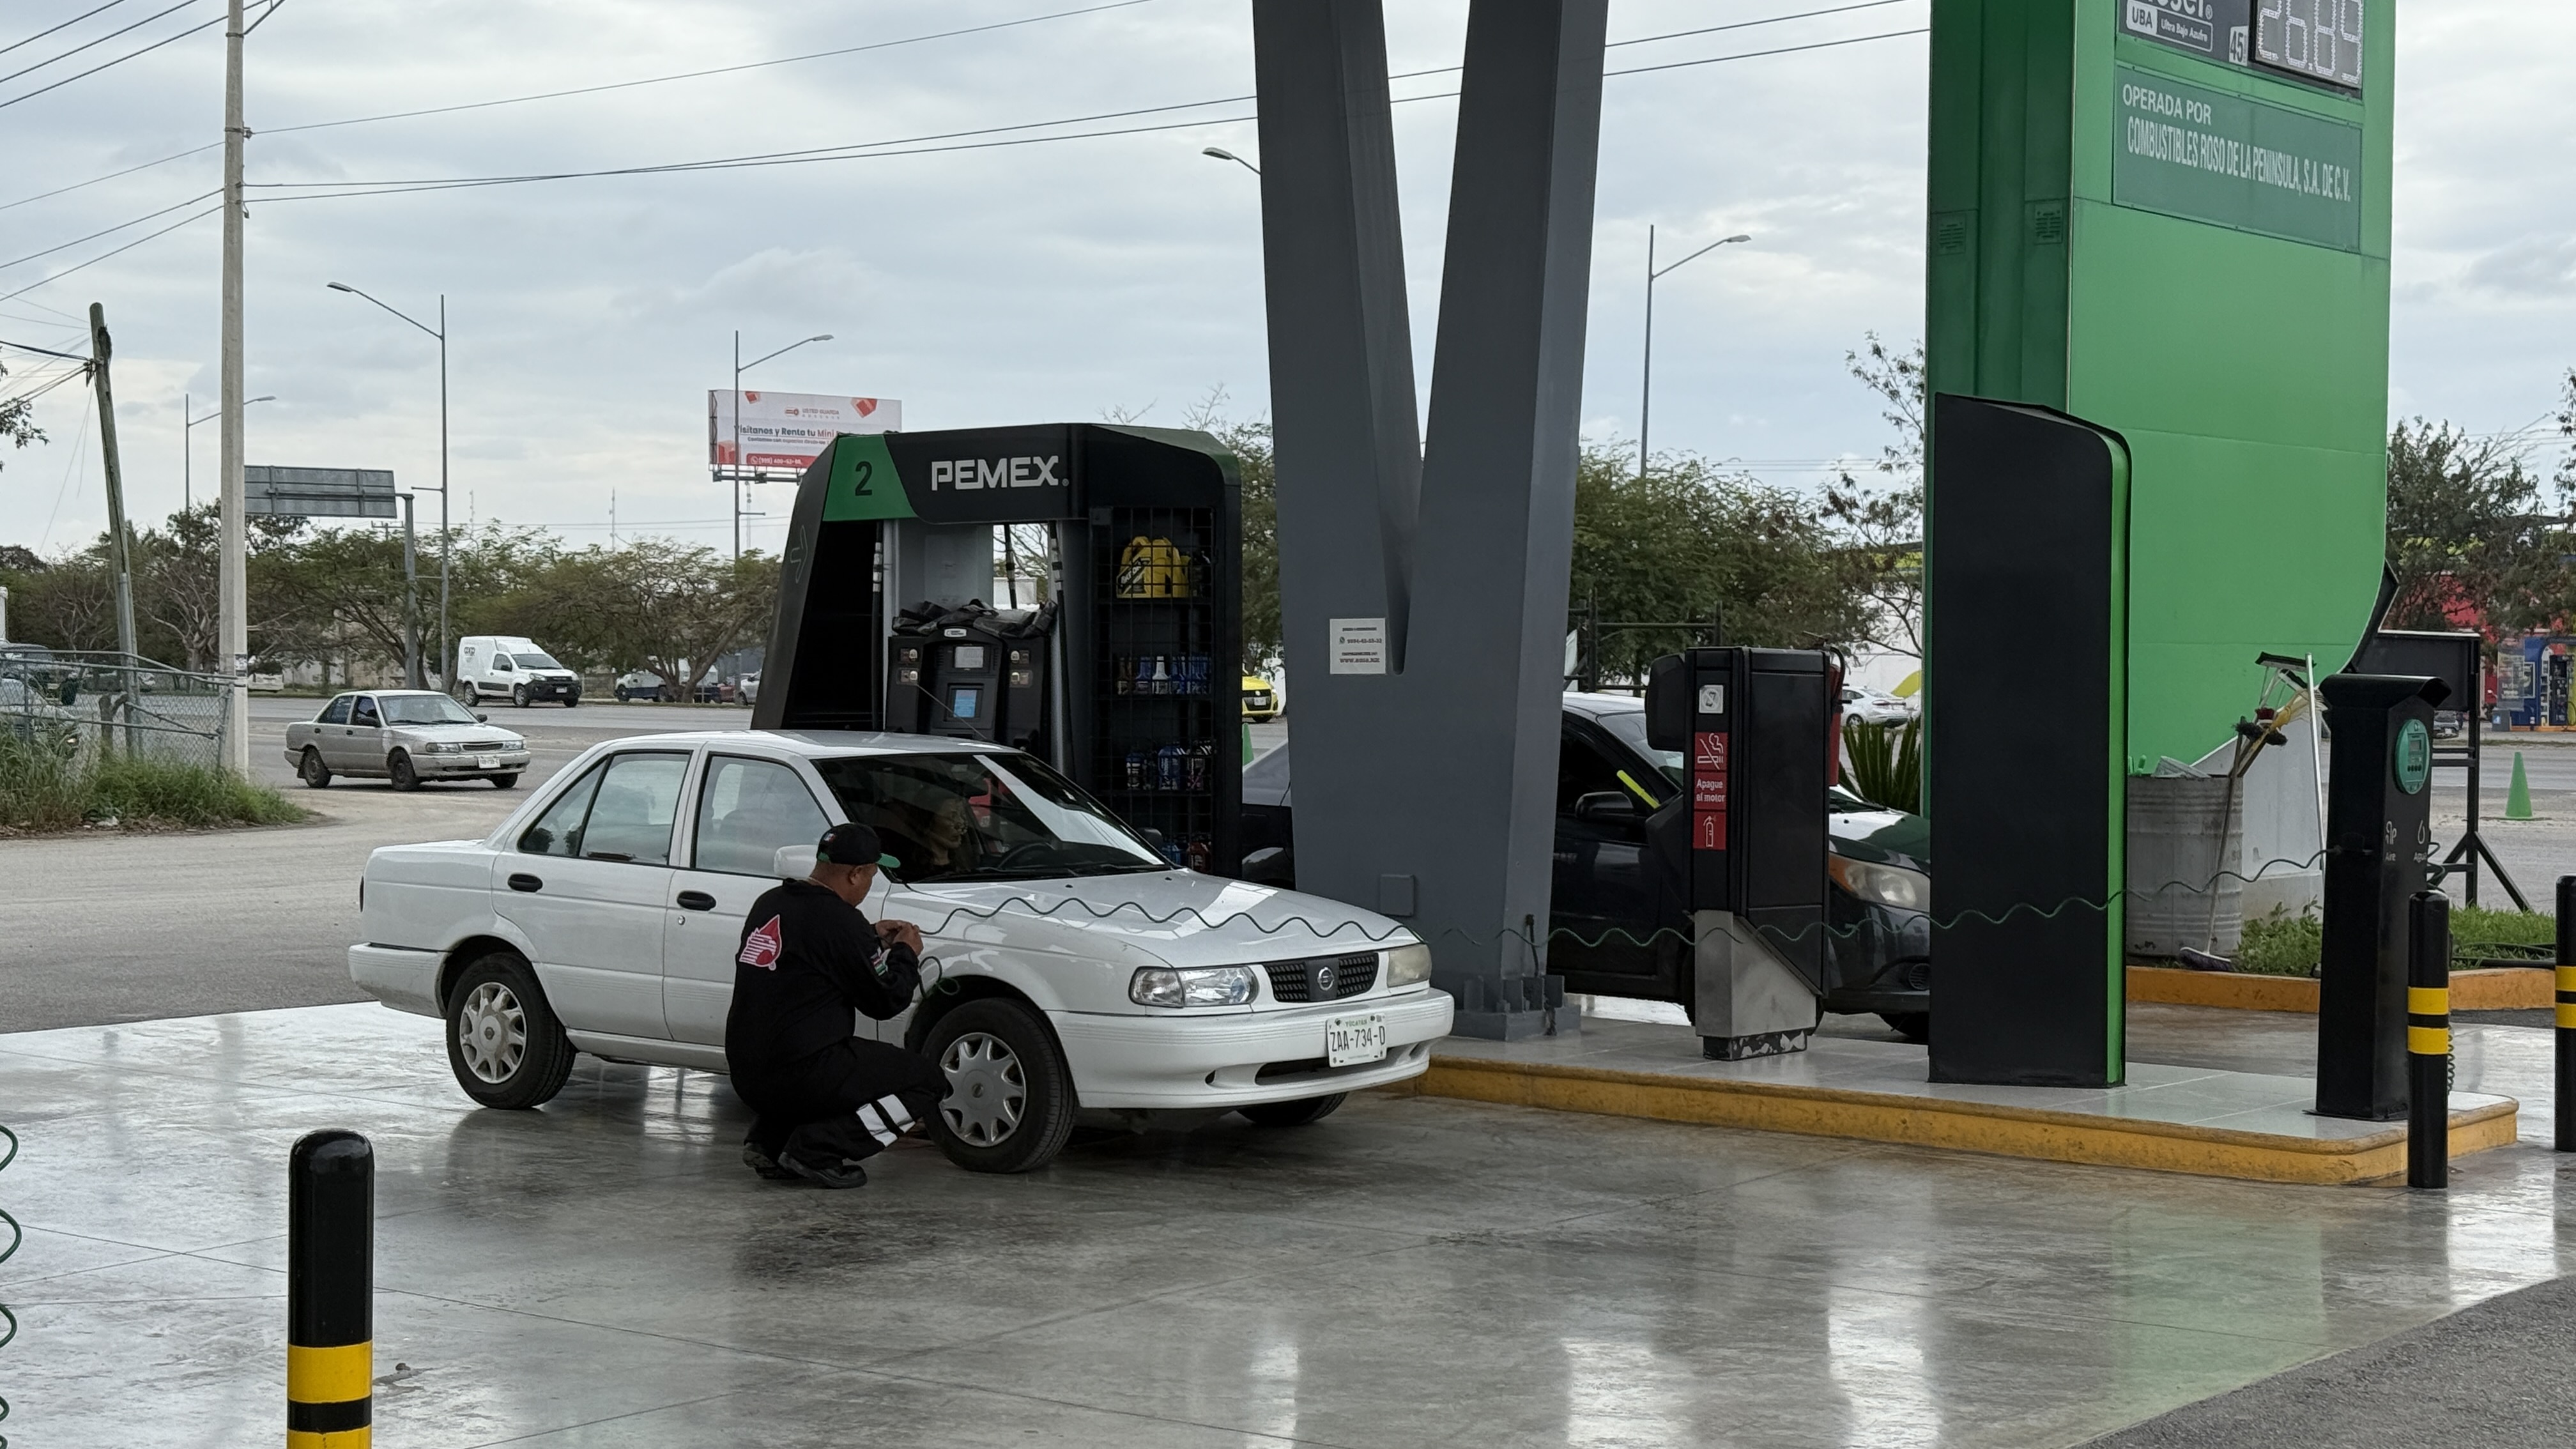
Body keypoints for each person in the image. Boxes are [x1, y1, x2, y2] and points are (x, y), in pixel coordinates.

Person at [726, 823, 948, 1188]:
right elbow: (886, 1001)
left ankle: (769, 1142)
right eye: (872, 876)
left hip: (747, 1072)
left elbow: (815, 947)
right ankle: (815, 1151)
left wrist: (869, 936)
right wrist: (906, 954)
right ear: (856, 874)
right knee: (926, 1081)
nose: (869, 885)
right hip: (802, 1073)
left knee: (825, 1062)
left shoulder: (771, 902)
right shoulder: (841, 922)